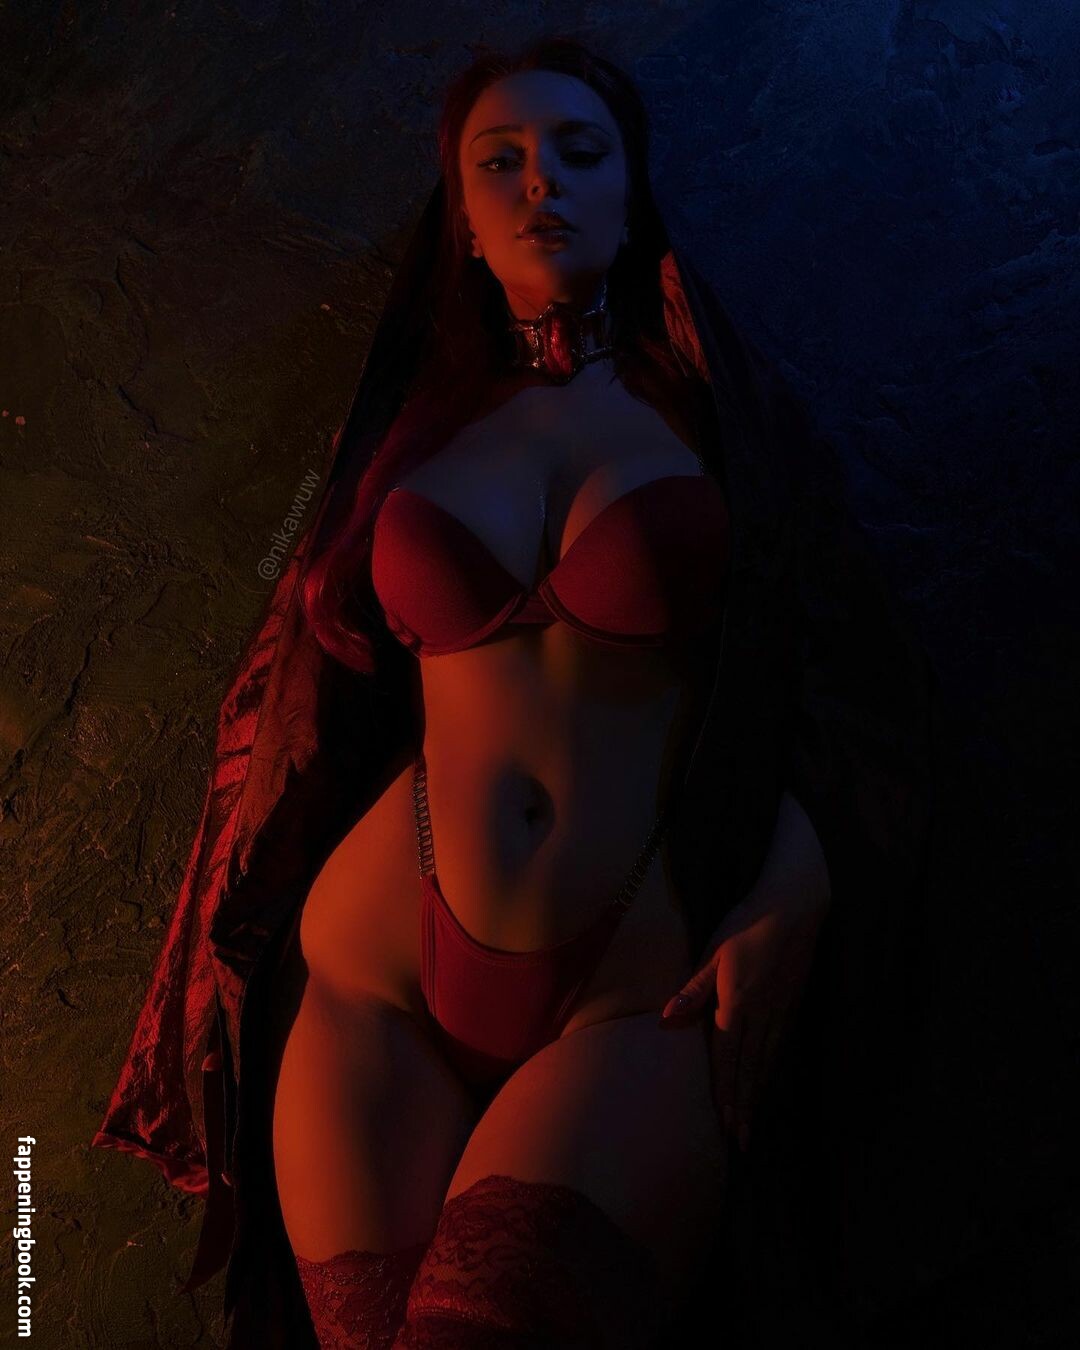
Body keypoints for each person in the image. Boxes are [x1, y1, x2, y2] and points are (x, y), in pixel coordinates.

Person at [91, 36, 936, 1350]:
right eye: (503, 162)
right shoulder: (404, 435)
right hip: (373, 973)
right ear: (466, 225)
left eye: (579, 152)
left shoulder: (721, 420)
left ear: (629, 198)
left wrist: (798, 885)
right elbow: (299, 697)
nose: (542, 179)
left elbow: (857, 683)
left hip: (632, 986)